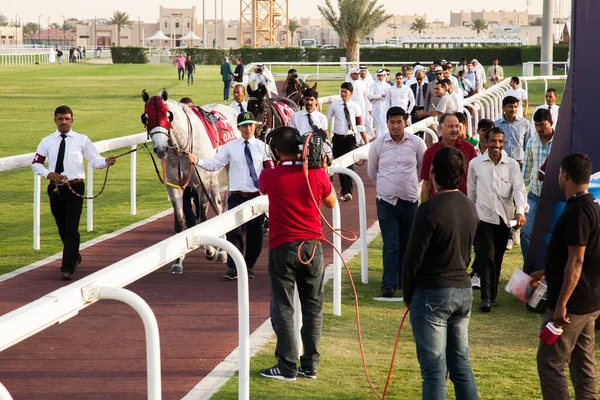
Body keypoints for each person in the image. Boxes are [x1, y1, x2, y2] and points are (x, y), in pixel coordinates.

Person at [258, 126, 337, 381]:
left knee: (283, 306)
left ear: (277, 150)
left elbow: (262, 187)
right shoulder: (316, 174)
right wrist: (320, 169)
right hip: (313, 246)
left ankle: (287, 365)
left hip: (283, 247)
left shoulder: (270, 175)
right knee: (313, 308)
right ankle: (310, 365)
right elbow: (331, 202)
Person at [403, 146, 479, 400]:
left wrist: (408, 292)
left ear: (434, 172)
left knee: (434, 371)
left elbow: (413, 258)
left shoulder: (429, 208)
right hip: (462, 290)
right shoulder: (469, 206)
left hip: (433, 292)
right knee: (460, 365)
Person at [531, 153, 600, 400]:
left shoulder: (577, 210)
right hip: (589, 300)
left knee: (550, 361)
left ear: (565, 175)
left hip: (572, 303)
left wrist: (561, 304)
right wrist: (544, 272)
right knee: (582, 362)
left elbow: (577, 259)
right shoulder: (592, 205)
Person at [31, 105, 117, 281]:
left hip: (75, 188)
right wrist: (49, 174)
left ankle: (67, 267)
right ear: (55, 120)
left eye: (67, 119)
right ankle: (74, 255)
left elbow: (95, 160)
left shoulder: (82, 140)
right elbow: (36, 163)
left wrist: (106, 162)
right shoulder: (46, 141)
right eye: (60, 119)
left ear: (72, 120)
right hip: (55, 189)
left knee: (71, 228)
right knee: (62, 227)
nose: (64, 122)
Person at [186, 111, 274, 280]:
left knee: (255, 235)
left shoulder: (263, 147)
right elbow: (215, 164)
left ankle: (248, 266)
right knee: (234, 233)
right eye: (244, 126)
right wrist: (198, 161)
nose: (248, 129)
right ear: (239, 128)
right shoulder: (230, 147)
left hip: (256, 197)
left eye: (250, 125)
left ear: (255, 126)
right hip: (236, 196)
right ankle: (233, 268)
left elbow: (270, 170)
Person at [468, 127, 528, 312]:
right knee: (486, 255)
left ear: (503, 143)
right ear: (485, 142)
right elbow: (471, 193)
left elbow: (518, 190)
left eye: (500, 142)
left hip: (504, 219)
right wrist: (471, 217)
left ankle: (492, 295)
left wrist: (520, 211)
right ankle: (485, 298)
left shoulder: (511, 165)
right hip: (482, 217)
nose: (496, 145)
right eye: (493, 141)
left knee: (498, 257)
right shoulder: (475, 164)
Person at [368, 107, 426, 298]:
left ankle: (405, 279)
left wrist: (405, 184)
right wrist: (388, 186)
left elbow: (420, 168)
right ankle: (389, 284)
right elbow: (372, 171)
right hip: (386, 201)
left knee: (408, 242)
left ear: (405, 122)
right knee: (391, 244)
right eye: (392, 122)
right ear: (387, 123)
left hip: (409, 200)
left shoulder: (417, 143)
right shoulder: (378, 145)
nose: (395, 126)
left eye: (399, 122)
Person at [521, 109, 554, 272]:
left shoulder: (561, 142)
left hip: (554, 198)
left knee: (551, 238)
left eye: (542, 125)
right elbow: (526, 170)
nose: (540, 129)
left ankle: (547, 273)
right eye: (537, 126)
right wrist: (519, 196)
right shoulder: (532, 142)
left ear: (551, 123)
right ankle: (529, 270)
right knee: (526, 233)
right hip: (533, 195)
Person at [325, 82, 368, 202]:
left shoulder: (355, 106)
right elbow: (326, 119)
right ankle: (344, 191)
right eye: (342, 91)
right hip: (337, 138)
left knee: (348, 164)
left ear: (351, 93)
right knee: (339, 164)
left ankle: (348, 191)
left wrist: (366, 140)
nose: (343, 94)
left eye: (345, 92)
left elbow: (360, 124)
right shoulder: (334, 105)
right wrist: (325, 136)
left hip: (350, 139)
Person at [420, 113, 477, 202]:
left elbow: (475, 178)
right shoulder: (430, 152)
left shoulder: (469, 149)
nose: (455, 130)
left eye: (457, 126)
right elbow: (427, 184)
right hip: (439, 204)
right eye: (450, 126)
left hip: (464, 202)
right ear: (440, 128)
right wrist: (424, 208)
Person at [288, 87, 331, 160]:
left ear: (316, 101)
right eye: (307, 99)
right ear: (303, 100)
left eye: (311, 100)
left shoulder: (322, 118)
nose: (309, 102)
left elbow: (325, 137)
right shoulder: (295, 117)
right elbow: (291, 137)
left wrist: (328, 155)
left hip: (317, 155)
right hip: (299, 155)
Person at [179, 97, 202, 228]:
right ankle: (190, 224)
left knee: (199, 197)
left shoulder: (198, 126)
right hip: (182, 171)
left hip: (197, 169)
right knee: (184, 199)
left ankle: (199, 218)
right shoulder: (177, 129)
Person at [494, 96, 531, 167]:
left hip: (520, 164)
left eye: (515, 107)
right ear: (503, 108)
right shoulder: (496, 125)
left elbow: (528, 146)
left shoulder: (525, 123)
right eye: (510, 107)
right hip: (502, 163)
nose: (513, 109)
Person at [368, 69, 391, 137]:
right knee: (378, 125)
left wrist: (376, 96)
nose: (380, 77)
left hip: (385, 107)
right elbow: (369, 96)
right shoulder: (373, 85)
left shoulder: (388, 86)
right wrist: (380, 95)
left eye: (382, 76)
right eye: (379, 76)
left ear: (384, 75)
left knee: (385, 125)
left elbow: (389, 97)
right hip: (376, 107)